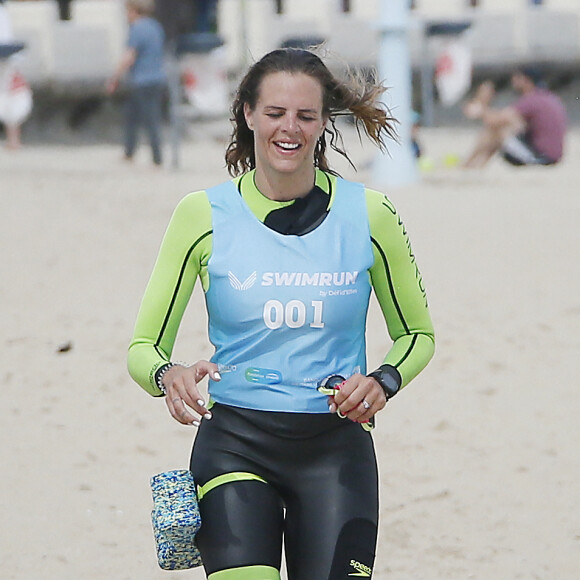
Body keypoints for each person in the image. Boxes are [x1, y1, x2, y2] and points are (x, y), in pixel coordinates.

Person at [128, 48, 435, 580]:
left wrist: (384, 381)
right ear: (248, 113)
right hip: (234, 447)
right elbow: (143, 349)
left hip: (337, 450)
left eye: (305, 116)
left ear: (322, 123)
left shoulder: (371, 215)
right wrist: (168, 375)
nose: (289, 129)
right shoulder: (201, 215)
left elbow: (418, 334)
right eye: (275, 113)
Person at [462, 66, 567, 168]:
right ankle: (475, 165)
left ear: (526, 80)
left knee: (496, 132)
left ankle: (468, 165)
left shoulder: (531, 100)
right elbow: (514, 123)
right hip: (550, 155)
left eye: (517, 78)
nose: (513, 81)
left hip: (541, 157)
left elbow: (495, 121)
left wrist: (481, 109)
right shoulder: (548, 97)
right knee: (500, 131)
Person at [107, 0, 166, 166]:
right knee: (136, 116)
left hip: (142, 80)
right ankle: (130, 151)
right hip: (157, 77)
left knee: (147, 119)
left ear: (133, 10)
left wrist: (115, 78)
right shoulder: (156, 26)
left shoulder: (137, 29)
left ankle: (156, 158)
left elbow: (129, 56)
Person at [0, 0, 32, 150]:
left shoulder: (2, 12)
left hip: (6, 59)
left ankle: (13, 140)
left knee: (9, 95)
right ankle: (13, 140)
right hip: (7, 58)